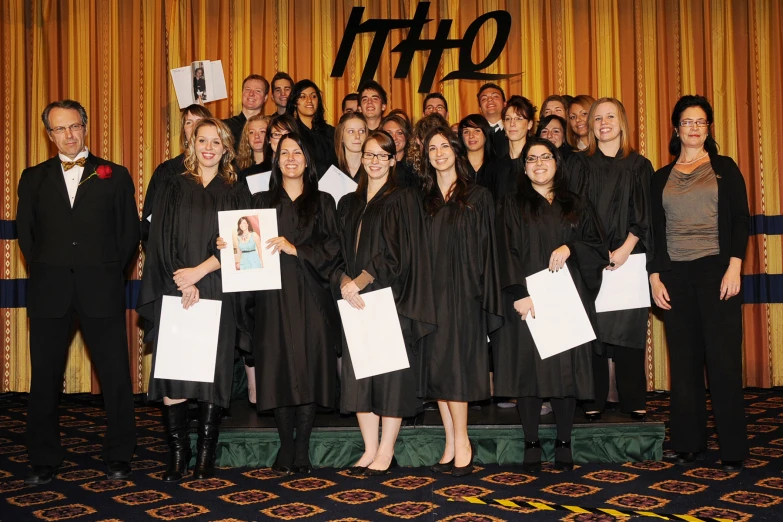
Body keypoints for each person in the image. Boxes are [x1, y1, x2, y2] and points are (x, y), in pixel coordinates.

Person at [17, 100, 139, 485]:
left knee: (115, 377)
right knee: (45, 380)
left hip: (100, 290)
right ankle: (43, 459)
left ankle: (120, 454)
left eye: (74, 126)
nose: (69, 135)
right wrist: (50, 269)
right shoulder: (33, 177)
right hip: (49, 292)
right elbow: (27, 235)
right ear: (48, 134)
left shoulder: (114, 175)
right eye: (60, 129)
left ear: (85, 127)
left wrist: (106, 273)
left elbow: (129, 235)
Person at [219, 133, 342, 474]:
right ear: (276, 161)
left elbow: (335, 248)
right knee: (279, 371)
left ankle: (301, 448)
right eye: (284, 153)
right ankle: (285, 446)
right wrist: (228, 243)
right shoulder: (259, 201)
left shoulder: (324, 201)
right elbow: (246, 251)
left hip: (311, 298)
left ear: (307, 160)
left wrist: (297, 250)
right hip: (271, 300)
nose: (291, 158)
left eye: (297, 153)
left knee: (306, 370)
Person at [137, 118, 250, 481]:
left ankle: (204, 457)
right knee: (176, 372)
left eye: (216, 142)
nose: (208, 148)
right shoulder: (173, 185)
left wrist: (199, 274)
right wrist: (182, 280)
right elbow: (159, 240)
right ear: (192, 143)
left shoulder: (236, 189)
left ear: (227, 149)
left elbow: (239, 245)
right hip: (176, 286)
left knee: (212, 375)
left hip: (218, 286)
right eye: (203, 140)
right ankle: (177, 456)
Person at [492, 138, 608, 472]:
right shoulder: (512, 204)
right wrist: (518, 292)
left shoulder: (577, 203)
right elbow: (504, 250)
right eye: (531, 158)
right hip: (527, 300)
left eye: (546, 157)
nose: (539, 163)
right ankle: (531, 442)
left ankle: (563, 441)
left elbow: (597, 246)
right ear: (523, 165)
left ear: (557, 162)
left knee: (564, 373)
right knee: (528, 373)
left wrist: (571, 248)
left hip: (566, 301)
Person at [649, 95, 749, 472]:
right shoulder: (661, 176)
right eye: (687, 122)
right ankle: (688, 443)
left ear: (708, 128)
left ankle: (734, 448)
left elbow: (740, 219)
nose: (693, 127)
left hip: (717, 271)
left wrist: (734, 266)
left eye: (700, 121)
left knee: (722, 363)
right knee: (685, 363)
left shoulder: (724, 167)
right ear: (676, 129)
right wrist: (655, 276)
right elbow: (654, 233)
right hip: (675, 275)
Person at [336, 131, 436, 475]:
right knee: (359, 377)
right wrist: (344, 281)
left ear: (393, 160)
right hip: (353, 300)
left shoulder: (404, 198)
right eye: (369, 155)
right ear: (360, 158)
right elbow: (336, 251)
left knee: (390, 379)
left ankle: (386, 451)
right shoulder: (348, 202)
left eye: (383, 155)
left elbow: (398, 254)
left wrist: (361, 281)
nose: (375, 161)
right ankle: (369, 449)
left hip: (389, 300)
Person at [418, 127, 503, 477]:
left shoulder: (478, 196)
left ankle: (464, 442)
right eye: (432, 148)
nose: (439, 153)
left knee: (457, 368)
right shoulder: (422, 199)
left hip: (465, 292)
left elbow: (489, 250)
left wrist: (483, 293)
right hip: (430, 294)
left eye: (444, 147)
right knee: (438, 368)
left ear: (456, 151)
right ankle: (451, 442)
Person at [565, 98, 653, 422]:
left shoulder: (640, 165)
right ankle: (593, 397)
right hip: (589, 256)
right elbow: (571, 214)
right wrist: (593, 250)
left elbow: (645, 215)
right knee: (593, 329)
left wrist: (628, 246)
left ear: (622, 122)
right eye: (597, 118)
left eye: (610, 116)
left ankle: (633, 398)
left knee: (629, 330)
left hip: (630, 255)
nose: (603, 122)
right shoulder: (578, 165)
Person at [143, 104, 212, 244]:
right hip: (173, 257)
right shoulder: (167, 171)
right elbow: (150, 223)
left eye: (200, 122)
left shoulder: (226, 172)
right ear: (183, 132)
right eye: (189, 122)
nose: (194, 127)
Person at [287, 79, 338, 168]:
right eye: (303, 97)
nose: (309, 100)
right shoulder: (290, 132)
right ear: (295, 102)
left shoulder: (331, 132)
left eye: (313, 96)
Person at [458, 114, 509, 199]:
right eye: (466, 132)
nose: (471, 136)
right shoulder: (456, 167)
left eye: (477, 130)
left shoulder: (498, 168)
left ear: (486, 134)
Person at [493, 96, 537, 196]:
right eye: (508, 119)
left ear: (529, 124)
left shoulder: (536, 162)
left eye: (518, 119)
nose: (512, 124)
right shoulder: (496, 167)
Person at [224, 74, 269, 149]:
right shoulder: (225, 126)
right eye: (247, 89)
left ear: (265, 98)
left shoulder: (271, 126)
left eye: (258, 91)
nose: (251, 94)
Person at [381, 112, 414, 187]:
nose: (394, 138)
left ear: (406, 136)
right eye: (389, 133)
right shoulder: (376, 165)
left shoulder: (416, 167)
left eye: (399, 133)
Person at [334, 112, 368, 181]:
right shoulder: (331, 169)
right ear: (341, 136)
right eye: (351, 131)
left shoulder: (374, 168)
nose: (357, 136)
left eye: (361, 131)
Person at [477, 83, 508, 157]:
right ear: (480, 109)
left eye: (495, 96)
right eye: (484, 98)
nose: (490, 100)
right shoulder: (474, 134)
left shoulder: (514, 129)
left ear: (505, 104)